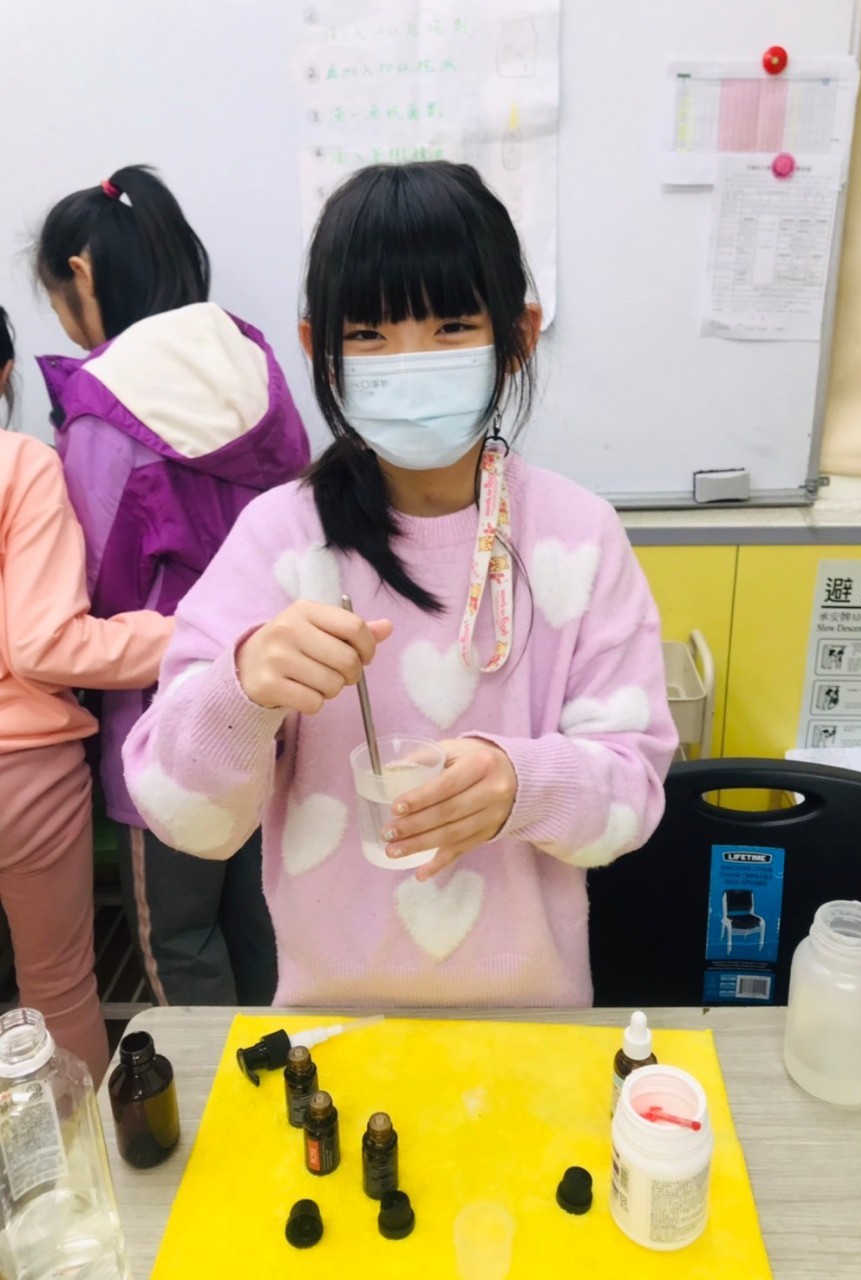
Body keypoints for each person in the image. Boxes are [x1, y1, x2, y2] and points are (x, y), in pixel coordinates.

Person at [124, 161, 678, 1008]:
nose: (410, 363)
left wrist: (522, 785)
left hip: (534, 1024)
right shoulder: (279, 538)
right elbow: (185, 817)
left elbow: (631, 797)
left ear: (518, 335)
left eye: (452, 325)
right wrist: (243, 687)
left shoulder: (579, 536)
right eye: (369, 334)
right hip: (330, 1024)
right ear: (318, 349)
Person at [34, 166, 310, 1006]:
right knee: (265, 917)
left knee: (179, 938)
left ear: (81, 273)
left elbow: (93, 585)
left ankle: (207, 1080)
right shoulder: (256, 366)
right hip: (273, 696)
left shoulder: (103, 410)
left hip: (163, 722)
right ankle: (282, 1066)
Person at [0, 307, 172, 1082]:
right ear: (6, 374)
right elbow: (44, 644)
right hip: (21, 772)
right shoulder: (21, 464)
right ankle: (75, 1154)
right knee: (59, 989)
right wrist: (194, 630)